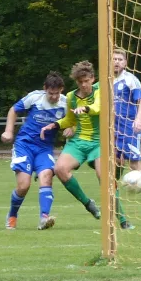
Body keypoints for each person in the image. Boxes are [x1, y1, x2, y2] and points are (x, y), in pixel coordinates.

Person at [2, 71, 67, 230]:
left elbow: (72, 120)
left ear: (62, 90)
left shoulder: (66, 103)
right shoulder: (35, 97)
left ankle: (44, 218)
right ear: (45, 89)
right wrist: (8, 131)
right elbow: (13, 110)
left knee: (46, 177)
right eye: (50, 93)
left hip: (44, 148)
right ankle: (12, 215)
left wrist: (70, 128)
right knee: (24, 186)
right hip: (25, 145)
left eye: (56, 93)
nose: (53, 97)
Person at [40, 61, 102, 221]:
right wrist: (54, 125)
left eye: (86, 81)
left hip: (99, 142)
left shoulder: (100, 90)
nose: (83, 85)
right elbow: (69, 119)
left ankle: (121, 218)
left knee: (104, 176)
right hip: (79, 142)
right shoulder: (71, 97)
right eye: (80, 82)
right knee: (60, 169)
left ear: (92, 79)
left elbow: (98, 107)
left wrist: (86, 109)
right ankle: (88, 204)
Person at [113, 48, 141, 213]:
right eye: (114, 59)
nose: (116, 61)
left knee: (134, 164)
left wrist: (138, 120)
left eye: (120, 59)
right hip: (113, 131)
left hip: (129, 130)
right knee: (114, 163)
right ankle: (111, 201)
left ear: (125, 63)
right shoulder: (105, 81)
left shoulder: (130, 80)